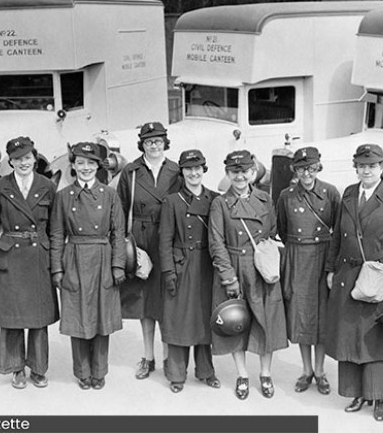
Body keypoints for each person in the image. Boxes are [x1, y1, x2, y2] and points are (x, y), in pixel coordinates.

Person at [325, 143, 383, 421]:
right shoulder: (349, 194)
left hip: (377, 278)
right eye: (362, 165)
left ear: (382, 166)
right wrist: (330, 268)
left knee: (377, 339)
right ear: (356, 167)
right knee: (350, 336)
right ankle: (356, 392)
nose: (366, 170)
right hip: (347, 277)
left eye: (372, 165)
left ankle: (380, 397)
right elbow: (337, 235)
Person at [208, 150, 287, 400]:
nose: (240, 176)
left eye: (244, 171)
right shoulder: (220, 203)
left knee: (267, 321)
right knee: (235, 322)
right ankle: (242, 375)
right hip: (233, 266)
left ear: (252, 173)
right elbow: (216, 242)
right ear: (228, 174)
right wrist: (228, 276)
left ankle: (265, 374)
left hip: (260, 268)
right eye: (234, 172)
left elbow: (272, 231)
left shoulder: (265, 199)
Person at [0, 136, 59, 389]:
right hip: (10, 256)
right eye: (17, 159)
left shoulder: (47, 185)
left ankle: (38, 369)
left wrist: (56, 262)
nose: (23, 163)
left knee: (38, 317)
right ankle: (16, 368)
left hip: (39, 256)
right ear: (10, 162)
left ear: (34, 159)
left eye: (27, 158)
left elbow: (55, 229)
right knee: (13, 316)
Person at [50, 142, 126, 390]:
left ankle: (99, 372)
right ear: (72, 165)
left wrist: (118, 265)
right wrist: (58, 269)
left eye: (90, 163)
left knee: (102, 318)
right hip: (74, 259)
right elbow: (57, 235)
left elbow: (118, 232)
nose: (85, 168)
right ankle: (83, 373)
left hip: (103, 259)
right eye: (80, 163)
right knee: (78, 317)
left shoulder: (109, 194)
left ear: (98, 166)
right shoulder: (63, 197)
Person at [117, 122, 181, 379]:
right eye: (148, 141)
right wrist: (123, 243)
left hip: (168, 239)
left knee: (166, 299)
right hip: (140, 240)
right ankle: (148, 357)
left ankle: (167, 358)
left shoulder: (177, 170)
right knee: (144, 301)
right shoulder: (130, 172)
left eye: (157, 141)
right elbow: (120, 209)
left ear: (165, 142)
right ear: (141, 144)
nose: (153, 146)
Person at [276, 146, 340, 395]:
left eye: (311, 168)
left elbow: (338, 229)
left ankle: (321, 371)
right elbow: (282, 228)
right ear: (296, 170)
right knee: (301, 314)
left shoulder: (330, 193)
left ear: (318, 167)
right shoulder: (286, 196)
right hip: (298, 258)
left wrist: (331, 265)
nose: (307, 173)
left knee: (321, 316)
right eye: (302, 168)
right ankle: (306, 370)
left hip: (323, 257)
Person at [159, 149, 221, 393]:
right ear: (182, 172)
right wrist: (168, 272)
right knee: (178, 320)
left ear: (203, 170)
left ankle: (206, 371)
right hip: (181, 264)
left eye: (197, 168)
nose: (193, 173)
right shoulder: (172, 201)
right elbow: (164, 240)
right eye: (188, 169)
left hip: (207, 265)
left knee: (205, 318)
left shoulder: (215, 199)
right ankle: (176, 374)